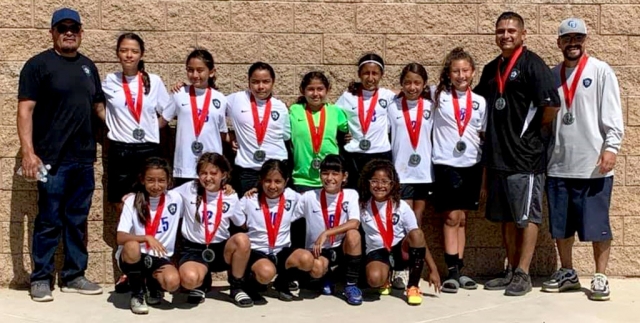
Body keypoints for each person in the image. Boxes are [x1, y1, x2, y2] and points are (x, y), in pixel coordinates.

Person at [17, 8, 104, 302]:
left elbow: (99, 109)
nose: (69, 32)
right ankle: (40, 278)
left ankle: (73, 275)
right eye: (63, 27)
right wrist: (29, 153)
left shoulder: (89, 67)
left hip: (83, 158)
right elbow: (25, 110)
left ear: (81, 32)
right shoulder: (38, 65)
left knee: (77, 220)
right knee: (49, 220)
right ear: (52, 32)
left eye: (74, 28)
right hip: (52, 160)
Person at [474, 12, 561, 296]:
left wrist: (529, 136)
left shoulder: (533, 65)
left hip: (526, 158)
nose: (506, 35)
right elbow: (475, 102)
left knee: (527, 217)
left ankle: (523, 273)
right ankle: (510, 269)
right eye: (501, 31)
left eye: (512, 30)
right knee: (507, 218)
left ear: (523, 34)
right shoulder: (491, 69)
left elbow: (551, 107)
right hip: (498, 159)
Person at [541, 18, 624, 301]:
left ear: (585, 40)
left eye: (578, 38)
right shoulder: (552, 75)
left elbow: (613, 113)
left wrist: (611, 147)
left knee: (597, 224)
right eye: (567, 38)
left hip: (593, 166)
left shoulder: (600, 71)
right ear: (559, 43)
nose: (573, 43)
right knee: (561, 225)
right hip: (559, 164)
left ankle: (600, 277)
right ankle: (568, 272)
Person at [432, 48, 487, 293]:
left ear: (473, 73)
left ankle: (460, 270)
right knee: (451, 217)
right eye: (456, 71)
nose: (461, 75)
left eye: (465, 70)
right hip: (446, 163)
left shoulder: (480, 101)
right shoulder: (436, 95)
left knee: (463, 219)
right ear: (448, 73)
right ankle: (451, 271)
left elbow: (482, 135)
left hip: (471, 164)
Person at [101, 33, 171, 214]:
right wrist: (111, 122)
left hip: (148, 149)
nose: (129, 55)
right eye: (124, 50)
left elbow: (169, 110)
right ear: (117, 54)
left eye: (134, 51)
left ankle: (148, 239)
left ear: (141, 54)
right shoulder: (110, 81)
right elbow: (96, 104)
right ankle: (126, 241)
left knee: (151, 199)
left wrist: (155, 126)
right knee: (120, 201)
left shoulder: (154, 81)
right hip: (120, 149)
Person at [173, 153, 253, 307]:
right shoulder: (188, 188)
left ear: (224, 174)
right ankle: (201, 284)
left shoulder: (230, 196)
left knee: (242, 239)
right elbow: (164, 195)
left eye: (213, 173)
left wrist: (256, 195)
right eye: (203, 173)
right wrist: (133, 195)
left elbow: (242, 223)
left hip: (221, 249)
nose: (208, 177)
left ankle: (237, 287)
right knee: (189, 280)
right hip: (194, 249)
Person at [359, 159, 440, 306]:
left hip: (400, 251)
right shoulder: (362, 206)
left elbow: (419, 240)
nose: (380, 186)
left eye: (385, 181)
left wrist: (433, 269)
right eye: (375, 181)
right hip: (378, 251)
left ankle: (413, 286)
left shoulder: (401, 206)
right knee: (374, 280)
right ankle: (385, 277)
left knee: (416, 233)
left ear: (392, 184)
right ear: (368, 182)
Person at [237, 160, 313, 304]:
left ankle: (282, 283)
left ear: (286, 181)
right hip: (257, 251)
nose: (272, 186)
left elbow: (315, 199)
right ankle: (250, 284)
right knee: (266, 273)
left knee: (307, 260)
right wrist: (227, 188)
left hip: (281, 251)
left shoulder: (293, 196)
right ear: (261, 180)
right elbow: (232, 213)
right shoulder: (250, 199)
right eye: (268, 181)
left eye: (278, 181)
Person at [293, 154, 363, 305]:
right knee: (317, 269)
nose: (329, 178)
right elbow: (288, 216)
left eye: (335, 173)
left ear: (344, 176)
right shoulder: (309, 197)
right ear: (320, 175)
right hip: (320, 250)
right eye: (325, 173)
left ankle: (351, 285)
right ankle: (326, 275)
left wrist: (327, 233)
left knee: (353, 235)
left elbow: (355, 222)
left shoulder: (351, 194)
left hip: (340, 248)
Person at [115, 157, 182, 314]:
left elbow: (202, 187)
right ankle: (137, 294)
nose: (156, 186)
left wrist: (227, 187)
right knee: (132, 245)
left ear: (169, 181)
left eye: (161, 181)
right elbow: (120, 237)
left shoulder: (176, 198)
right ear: (142, 180)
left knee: (172, 283)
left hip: (159, 257)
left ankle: (153, 286)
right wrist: (145, 238)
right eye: (151, 180)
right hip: (134, 256)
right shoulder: (132, 200)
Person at [161, 49, 229, 187]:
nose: (195, 75)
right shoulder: (179, 93)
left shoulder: (220, 99)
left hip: (212, 167)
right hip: (184, 166)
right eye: (190, 70)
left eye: (200, 70)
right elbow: (160, 123)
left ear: (211, 72)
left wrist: (235, 141)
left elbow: (221, 133)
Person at [226, 62, 290, 197]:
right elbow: (211, 108)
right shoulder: (236, 100)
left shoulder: (280, 107)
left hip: (276, 168)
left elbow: (286, 136)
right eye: (255, 82)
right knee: (249, 210)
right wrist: (230, 135)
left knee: (274, 211)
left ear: (273, 82)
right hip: (248, 170)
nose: (261, 87)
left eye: (266, 82)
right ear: (248, 82)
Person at [336, 53, 395, 189]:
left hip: (380, 153)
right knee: (354, 193)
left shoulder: (388, 96)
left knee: (379, 193)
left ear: (382, 75)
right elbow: (333, 117)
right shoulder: (348, 96)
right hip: (354, 154)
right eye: (366, 73)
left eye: (375, 73)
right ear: (359, 74)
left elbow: (407, 95)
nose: (370, 78)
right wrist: (341, 135)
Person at [289, 72, 349, 192]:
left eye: (320, 89)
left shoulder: (335, 111)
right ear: (302, 90)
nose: (316, 94)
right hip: (302, 179)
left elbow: (352, 129)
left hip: (330, 178)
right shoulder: (294, 111)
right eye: (311, 89)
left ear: (328, 90)